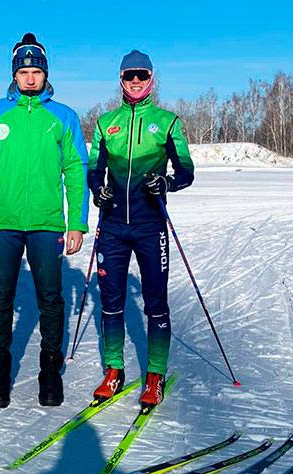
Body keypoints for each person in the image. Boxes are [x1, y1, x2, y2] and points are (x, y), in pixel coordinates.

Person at [0, 32, 89, 408]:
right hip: (3, 221)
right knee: (0, 300)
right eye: (23, 70)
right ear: (14, 73)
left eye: (36, 71)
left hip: (46, 223)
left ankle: (49, 373)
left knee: (51, 300)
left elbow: (75, 170)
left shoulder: (63, 116)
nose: (29, 77)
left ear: (45, 74)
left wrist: (77, 222)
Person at [87, 49, 194, 407]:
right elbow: (93, 169)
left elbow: (186, 172)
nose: (136, 82)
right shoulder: (106, 123)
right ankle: (113, 371)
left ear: (152, 79)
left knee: (155, 303)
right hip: (114, 226)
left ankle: (154, 375)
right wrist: (97, 190)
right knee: (111, 302)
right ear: (120, 80)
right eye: (129, 76)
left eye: (142, 76)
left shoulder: (167, 122)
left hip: (151, 227)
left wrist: (167, 183)